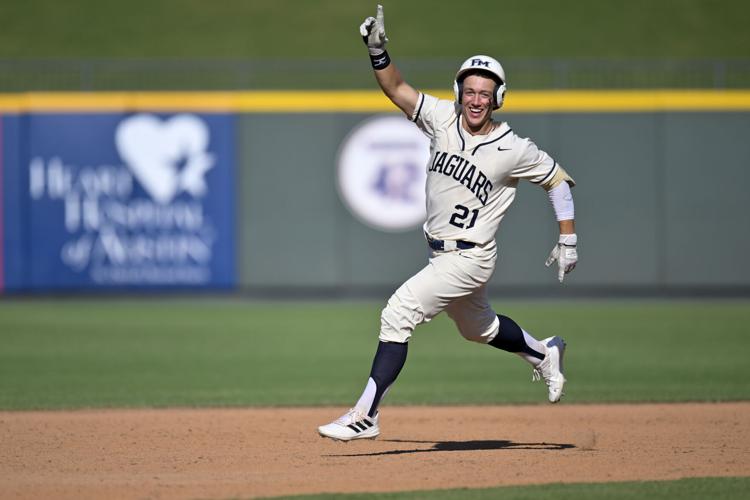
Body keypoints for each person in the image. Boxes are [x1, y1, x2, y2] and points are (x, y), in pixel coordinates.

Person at [318, 5, 578, 442]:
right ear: (459, 92)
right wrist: (378, 50)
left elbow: (557, 180)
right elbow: (396, 88)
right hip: (441, 252)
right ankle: (543, 352)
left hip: (471, 257)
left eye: (485, 92)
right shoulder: (441, 118)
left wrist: (567, 239)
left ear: (498, 97)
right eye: (469, 90)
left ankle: (366, 413)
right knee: (481, 329)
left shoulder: (512, 147)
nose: (476, 99)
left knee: (397, 312)